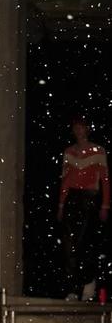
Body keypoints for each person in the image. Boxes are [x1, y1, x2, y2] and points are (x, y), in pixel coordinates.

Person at [57, 116, 109, 301]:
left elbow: (105, 179)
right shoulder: (69, 151)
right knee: (69, 244)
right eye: (76, 127)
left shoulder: (98, 150)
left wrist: (105, 204)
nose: (79, 131)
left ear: (87, 129)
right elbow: (65, 181)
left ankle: (88, 283)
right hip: (72, 198)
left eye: (82, 127)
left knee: (85, 243)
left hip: (90, 197)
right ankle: (72, 288)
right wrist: (61, 204)